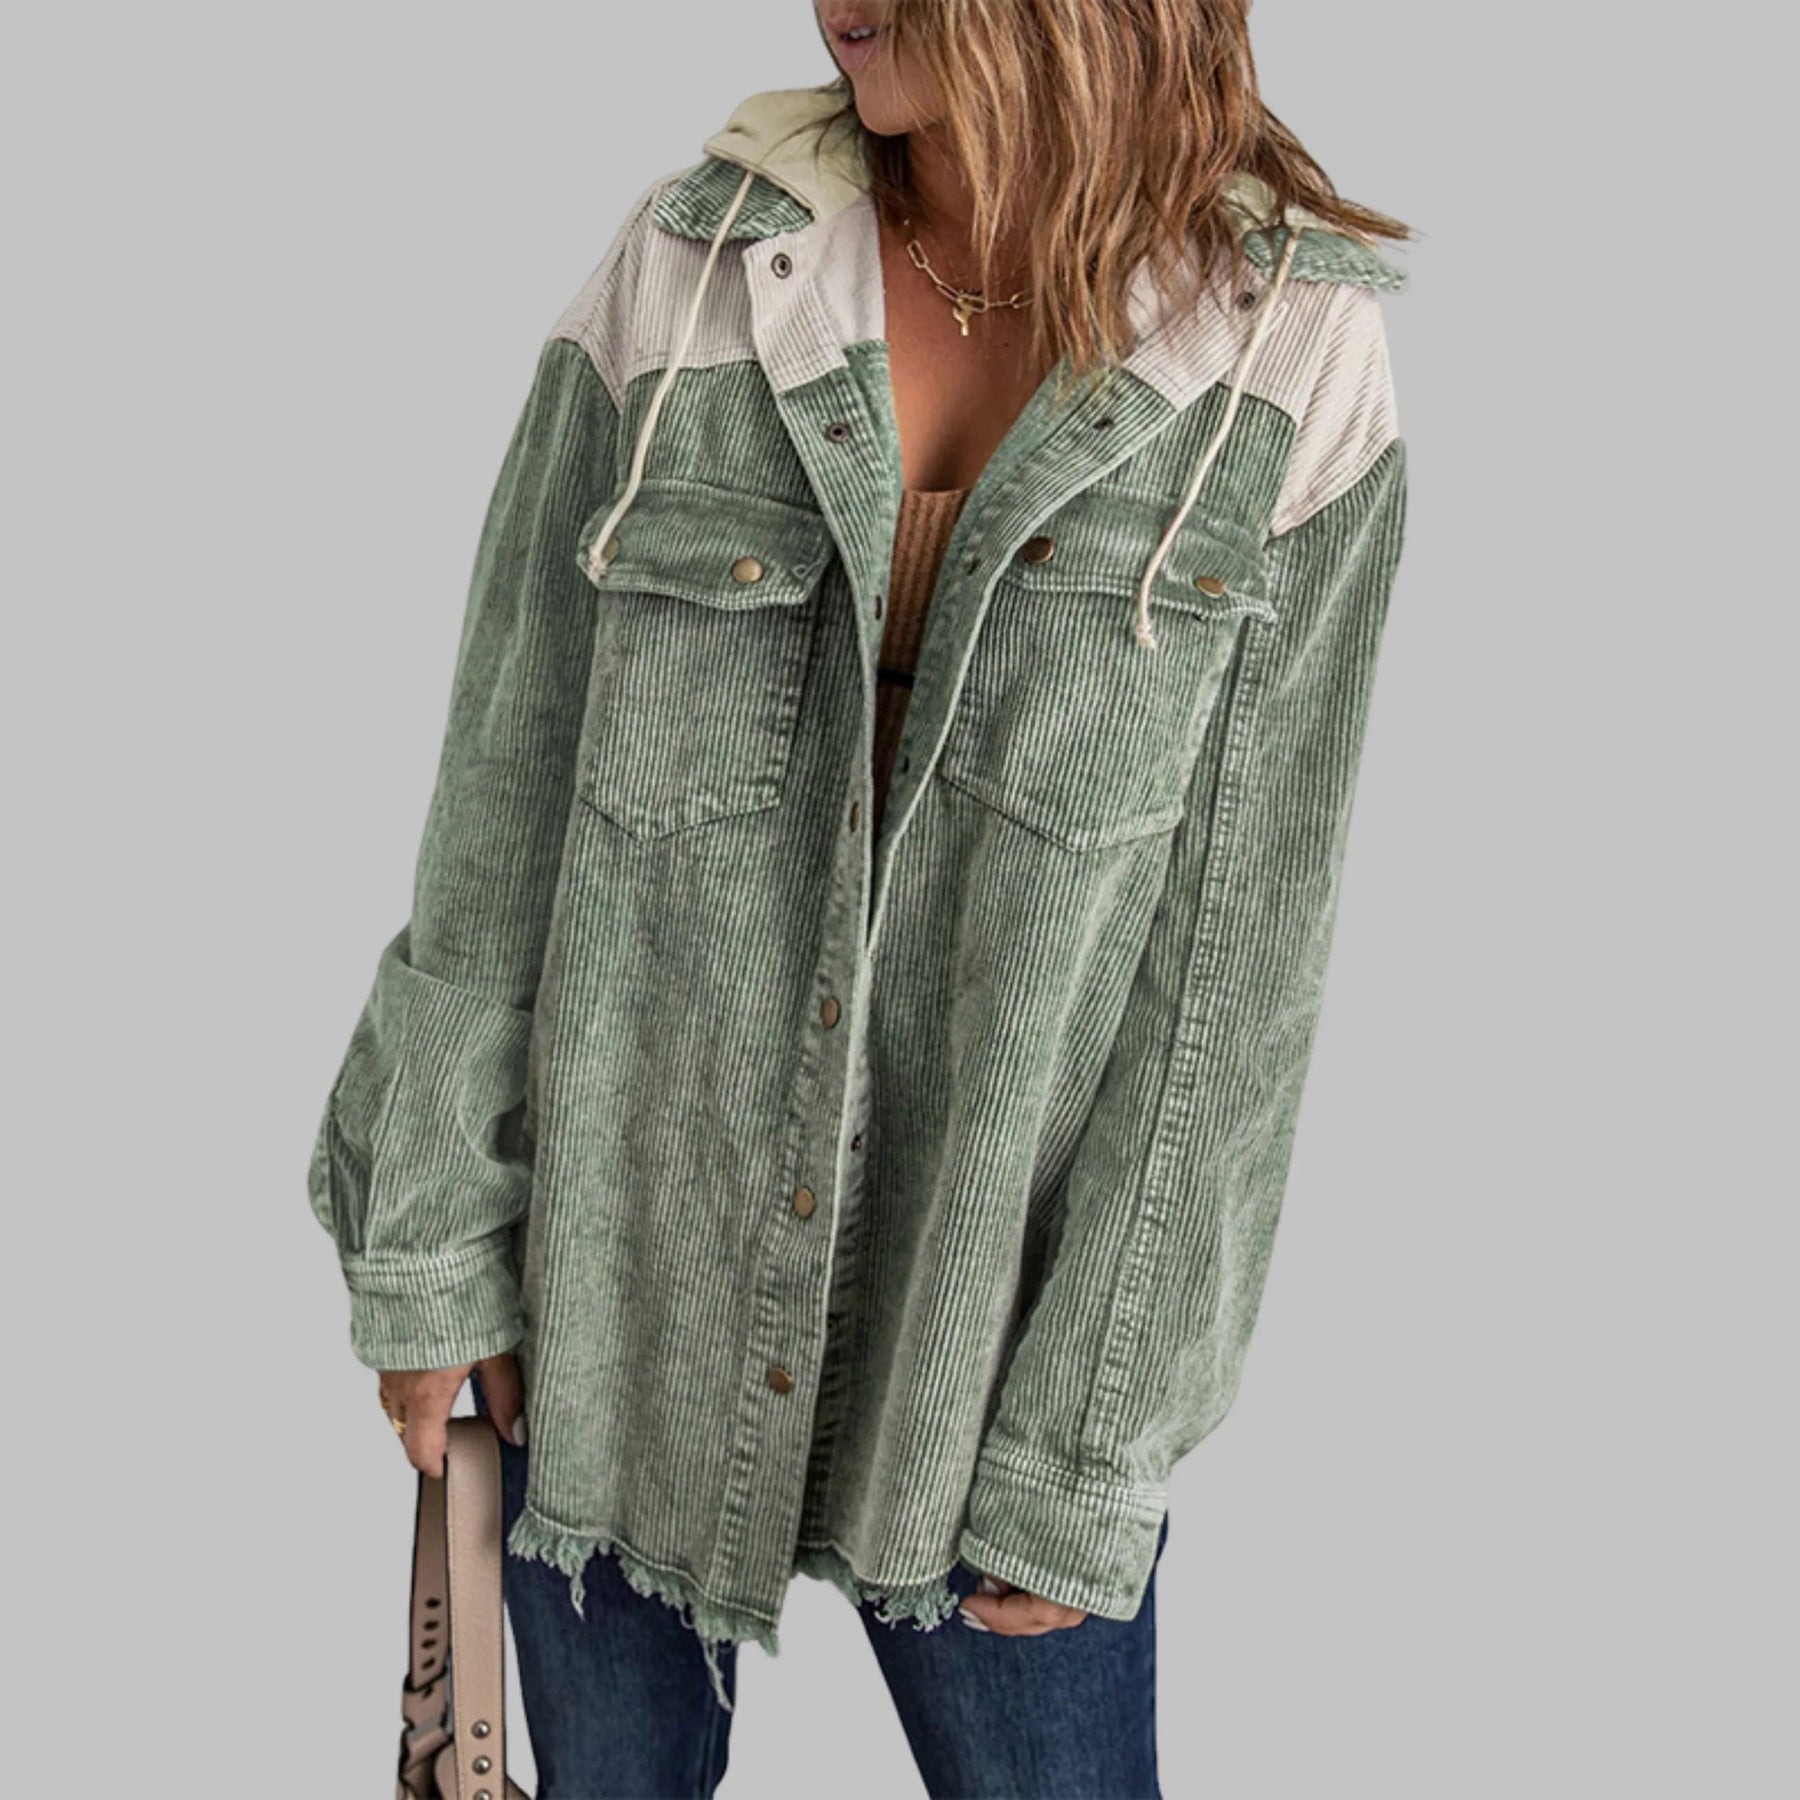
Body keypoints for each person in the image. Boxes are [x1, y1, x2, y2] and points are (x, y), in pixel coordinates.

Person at [307, 3, 1413, 1794]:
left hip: (994, 1346)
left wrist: (1094, 1436)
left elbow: (1234, 978)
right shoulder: (698, 271)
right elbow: (501, 799)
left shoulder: (1285, 355)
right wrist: (434, 1240)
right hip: (617, 1299)